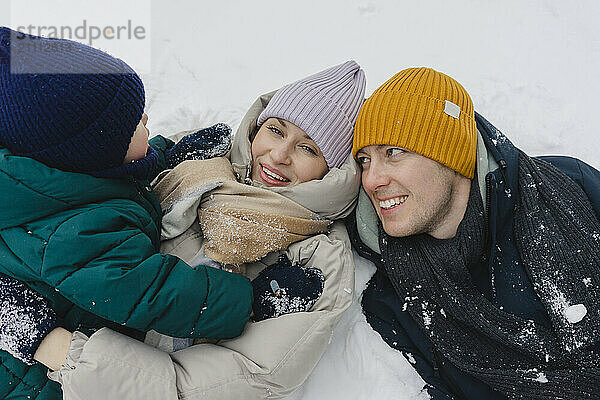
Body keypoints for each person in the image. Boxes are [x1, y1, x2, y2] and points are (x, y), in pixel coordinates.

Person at [1, 32, 366, 400]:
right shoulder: (206, 162)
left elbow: (223, 383)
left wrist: (54, 346)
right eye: (275, 130)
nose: (278, 155)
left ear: (332, 168)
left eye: (307, 148)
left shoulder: (317, 260)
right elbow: (110, 162)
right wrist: (164, 159)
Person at [347, 67, 600, 399]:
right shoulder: (398, 296)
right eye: (364, 160)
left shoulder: (565, 186)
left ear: (450, 154)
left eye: (393, 153)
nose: (372, 180)